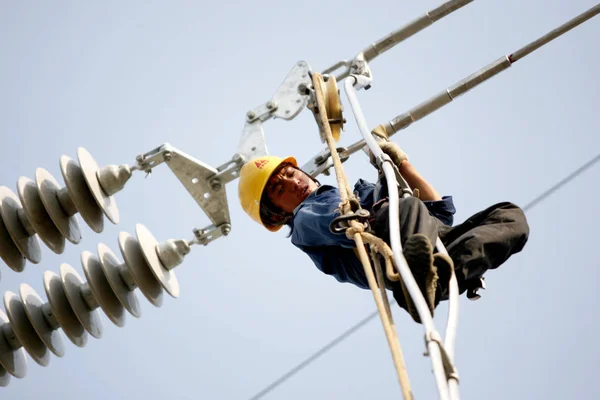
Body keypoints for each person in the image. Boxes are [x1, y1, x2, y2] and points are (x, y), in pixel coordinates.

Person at [237, 143, 530, 323]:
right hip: (389, 251)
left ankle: (439, 278)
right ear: (277, 213)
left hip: (426, 239)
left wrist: (400, 164)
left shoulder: (360, 191)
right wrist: (391, 195)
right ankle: (418, 284)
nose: (292, 183)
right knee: (404, 208)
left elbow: (439, 213)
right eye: (279, 188)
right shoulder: (304, 220)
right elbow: (352, 224)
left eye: (290, 173)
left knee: (509, 216)